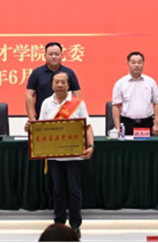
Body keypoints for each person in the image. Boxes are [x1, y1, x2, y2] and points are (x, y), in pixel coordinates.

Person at [26, 71, 94, 239]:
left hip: (74, 155)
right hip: (54, 156)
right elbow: (41, 127)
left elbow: (87, 127)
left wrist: (91, 146)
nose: (60, 85)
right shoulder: (46, 103)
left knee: (74, 191)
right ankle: (59, 224)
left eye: (63, 82)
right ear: (52, 85)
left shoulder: (77, 103)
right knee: (58, 191)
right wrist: (30, 128)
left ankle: (75, 225)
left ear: (68, 85)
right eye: (57, 82)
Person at [26, 42, 81, 121]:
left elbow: (76, 94)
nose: (54, 57)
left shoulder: (69, 73)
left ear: (61, 55)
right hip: (43, 117)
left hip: (66, 117)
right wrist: (31, 117)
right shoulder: (37, 73)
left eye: (57, 54)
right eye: (50, 54)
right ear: (45, 56)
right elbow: (29, 95)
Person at [111, 51, 158, 135]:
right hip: (127, 123)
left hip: (147, 123)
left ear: (143, 64)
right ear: (128, 64)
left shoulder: (151, 82)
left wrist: (156, 124)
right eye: (133, 62)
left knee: (147, 144)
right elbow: (115, 106)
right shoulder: (120, 83)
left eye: (139, 62)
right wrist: (117, 127)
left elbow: (157, 104)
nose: (136, 65)